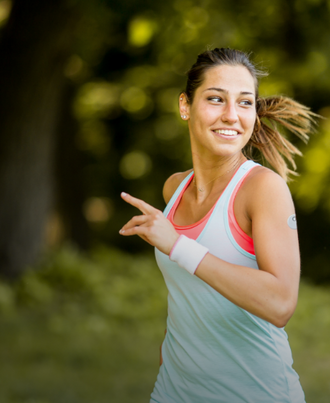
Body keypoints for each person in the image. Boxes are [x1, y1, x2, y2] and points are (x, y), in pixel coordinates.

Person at [118, 48, 317, 402]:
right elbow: (187, 296)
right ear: (185, 105)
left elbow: (280, 303)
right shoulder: (174, 189)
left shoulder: (262, 189)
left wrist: (177, 246)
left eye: (244, 103)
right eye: (215, 99)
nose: (231, 116)